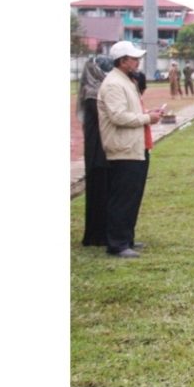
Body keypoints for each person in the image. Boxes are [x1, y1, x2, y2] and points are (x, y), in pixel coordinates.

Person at [97, 41, 163, 258]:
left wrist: (148, 113)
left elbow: (130, 111)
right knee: (122, 197)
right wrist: (146, 118)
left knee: (132, 196)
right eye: (134, 58)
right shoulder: (114, 84)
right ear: (122, 61)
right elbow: (117, 116)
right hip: (123, 148)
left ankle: (127, 238)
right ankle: (117, 243)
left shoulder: (126, 81)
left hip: (135, 146)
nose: (138, 62)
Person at [78, 55, 112, 246]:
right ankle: (96, 236)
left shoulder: (98, 90)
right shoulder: (92, 93)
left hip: (103, 148)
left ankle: (103, 232)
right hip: (97, 151)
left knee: (106, 192)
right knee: (98, 194)